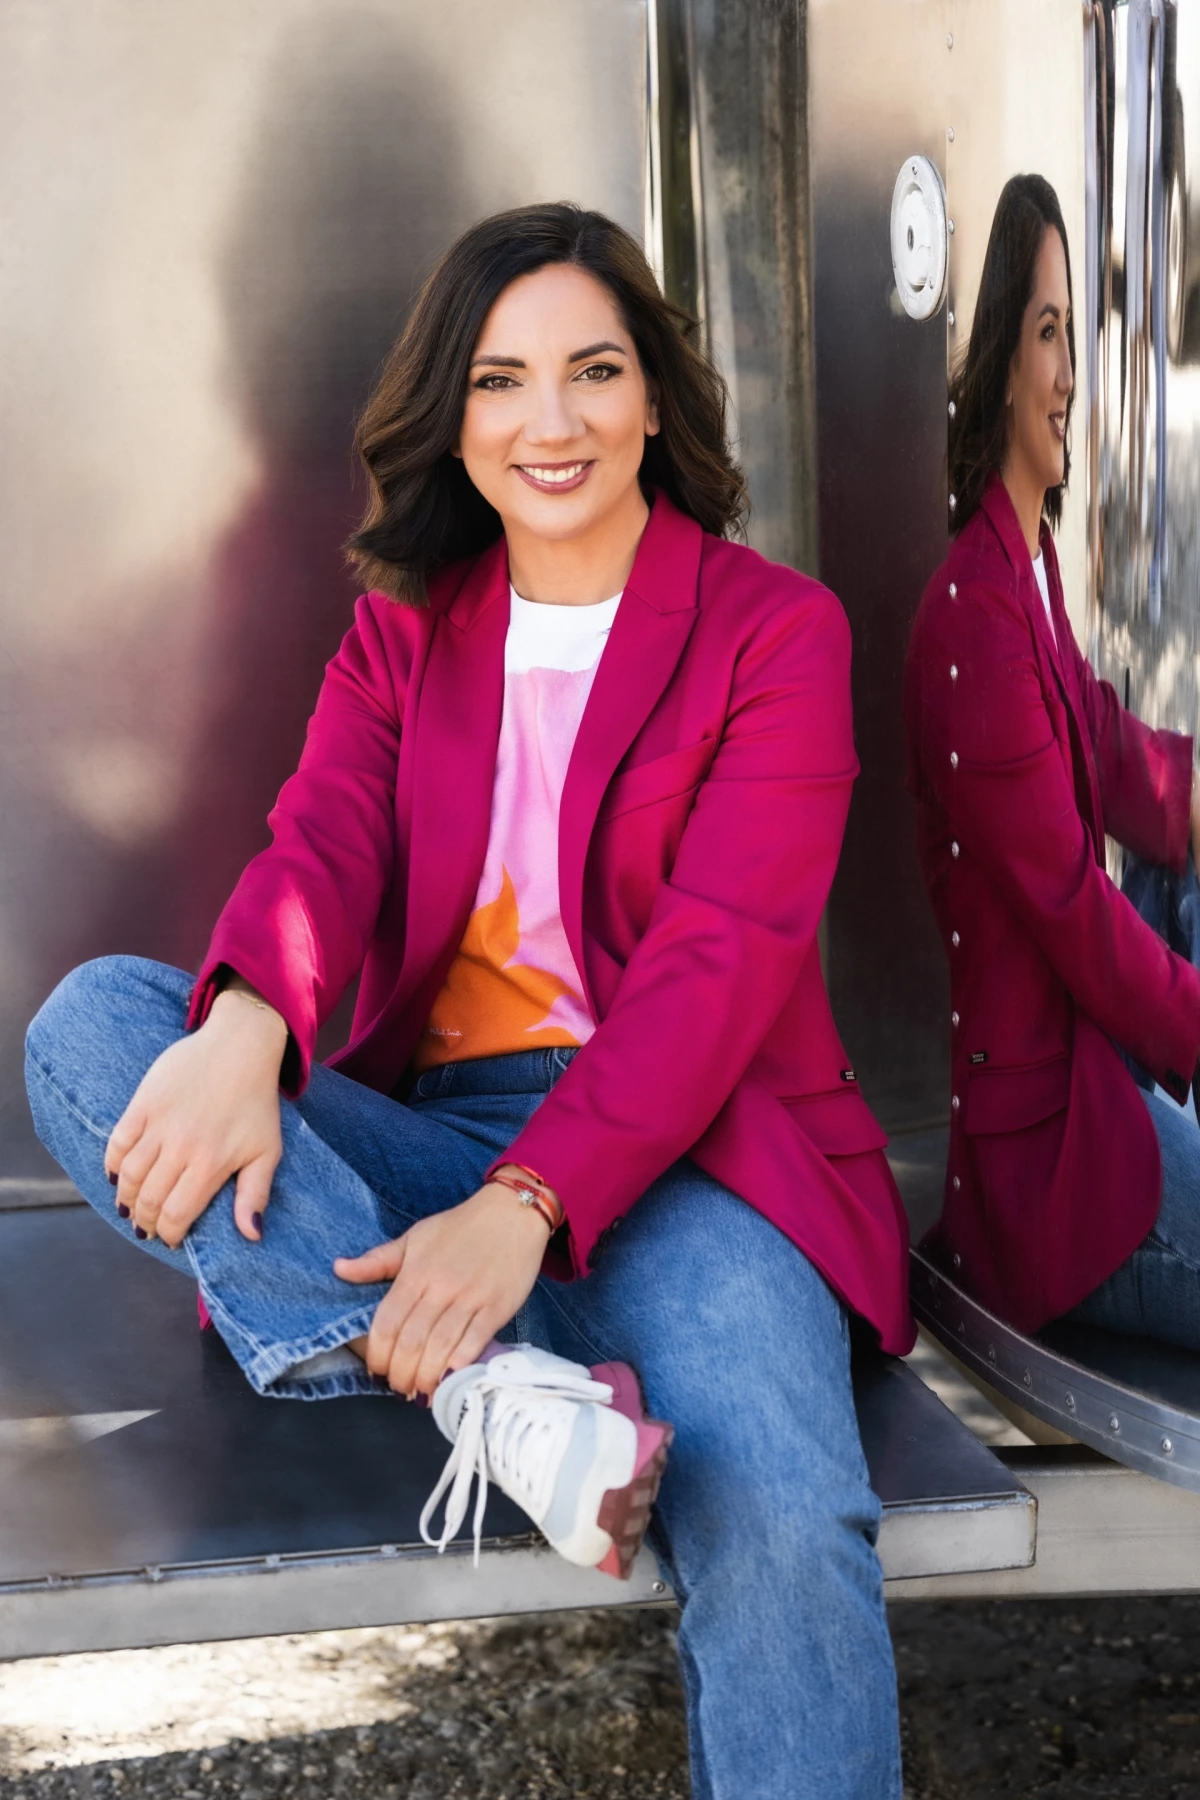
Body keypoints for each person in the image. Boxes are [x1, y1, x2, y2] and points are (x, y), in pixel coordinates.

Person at [27, 202, 910, 1799]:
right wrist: (246, 1029)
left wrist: (527, 1205)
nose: (548, 421)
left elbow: (716, 969)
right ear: (454, 417)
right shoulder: (407, 631)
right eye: (501, 381)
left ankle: (458, 1347)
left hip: (707, 1162)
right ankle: (502, 1395)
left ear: (657, 398)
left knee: (785, 1515)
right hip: (434, 1146)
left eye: (594, 371)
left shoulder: (776, 632)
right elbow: (320, 849)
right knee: (94, 1027)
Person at [904, 172, 1200, 1349]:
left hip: (1100, 1081)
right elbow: (1073, 908)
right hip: (1060, 1177)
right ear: (996, 363)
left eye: (1073, 335)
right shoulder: (972, 616)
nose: (1069, 372)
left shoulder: (1025, 566)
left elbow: (1111, 749)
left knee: (1185, 863)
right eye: (1046, 333)